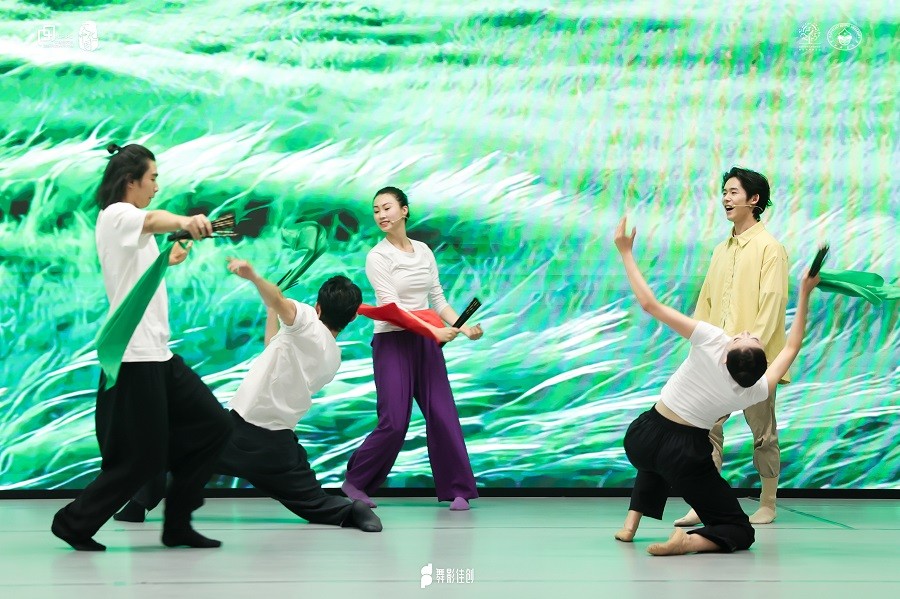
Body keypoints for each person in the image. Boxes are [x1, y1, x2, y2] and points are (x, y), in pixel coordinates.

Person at [52, 143, 233, 551]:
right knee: (142, 459)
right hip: (136, 358)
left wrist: (167, 258)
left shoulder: (130, 226)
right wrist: (185, 221)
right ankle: (73, 523)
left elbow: (134, 266)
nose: (156, 186)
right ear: (130, 181)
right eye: (152, 178)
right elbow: (152, 219)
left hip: (158, 355)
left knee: (214, 427)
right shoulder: (118, 215)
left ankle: (178, 524)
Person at [114, 259, 383, 532]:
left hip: (236, 433)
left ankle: (137, 505)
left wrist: (255, 277)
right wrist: (272, 309)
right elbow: (273, 345)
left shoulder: (307, 322)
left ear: (318, 308)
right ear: (352, 317)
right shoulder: (333, 358)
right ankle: (351, 510)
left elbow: (279, 301)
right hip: (278, 448)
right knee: (314, 502)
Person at [612, 216, 818, 555]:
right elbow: (792, 346)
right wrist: (805, 294)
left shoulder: (711, 340)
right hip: (683, 453)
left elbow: (650, 304)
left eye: (744, 337)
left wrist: (625, 252)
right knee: (740, 530)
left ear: (727, 354)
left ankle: (630, 526)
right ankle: (688, 542)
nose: (745, 332)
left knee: (653, 462)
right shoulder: (755, 390)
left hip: (642, 435)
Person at [342, 186, 482, 511]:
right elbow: (393, 309)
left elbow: (438, 300)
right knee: (394, 421)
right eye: (376, 210)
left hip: (425, 341)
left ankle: (458, 489)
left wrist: (462, 327)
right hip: (392, 341)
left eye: (387, 207)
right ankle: (356, 482)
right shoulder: (377, 257)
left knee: (443, 414)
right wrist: (435, 330)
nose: (381, 215)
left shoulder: (423, 251)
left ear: (404, 210)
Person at [675, 167, 789, 527]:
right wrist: (702, 352)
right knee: (706, 431)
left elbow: (772, 305)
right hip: (715, 360)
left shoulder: (770, 248)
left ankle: (768, 502)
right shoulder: (720, 251)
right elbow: (706, 302)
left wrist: (751, 352)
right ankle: (704, 503)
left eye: (733, 192)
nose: (726, 198)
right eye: (724, 192)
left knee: (763, 433)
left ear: (754, 200)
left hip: (751, 359)